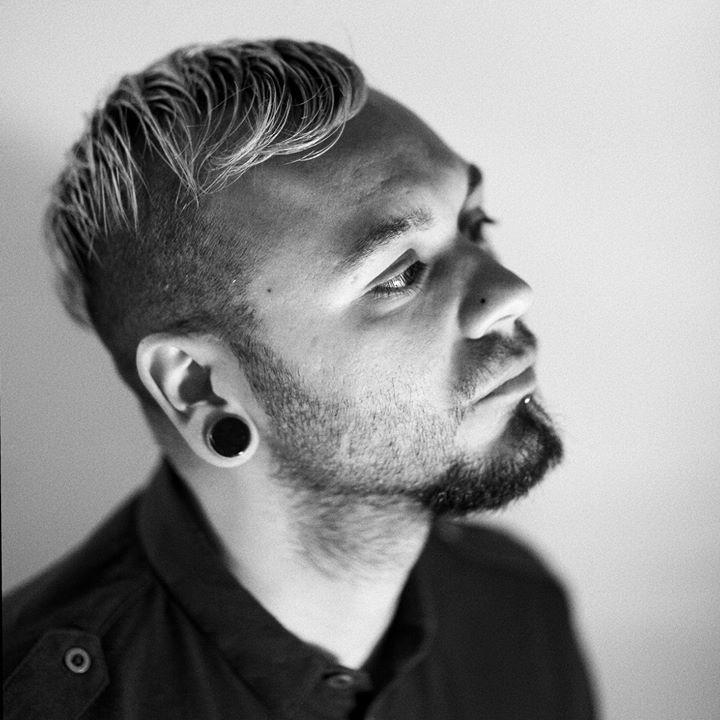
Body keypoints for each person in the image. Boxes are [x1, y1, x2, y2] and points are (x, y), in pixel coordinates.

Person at [2, 39, 596, 719]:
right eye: (399, 274)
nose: (510, 292)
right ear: (201, 389)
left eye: (474, 223)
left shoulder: (517, 609)